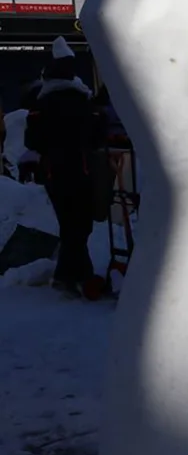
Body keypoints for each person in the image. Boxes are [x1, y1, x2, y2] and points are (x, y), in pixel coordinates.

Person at [23, 37, 107, 297]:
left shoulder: (41, 101)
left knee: (70, 224)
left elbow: (31, 140)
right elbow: (95, 139)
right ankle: (80, 277)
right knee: (79, 225)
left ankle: (67, 275)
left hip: (52, 172)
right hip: (78, 170)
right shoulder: (80, 101)